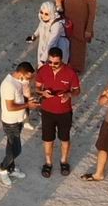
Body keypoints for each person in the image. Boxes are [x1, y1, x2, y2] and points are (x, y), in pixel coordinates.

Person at [33, 47, 79, 179]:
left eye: (56, 63)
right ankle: (48, 163)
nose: (52, 65)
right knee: (48, 139)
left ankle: (64, 161)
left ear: (62, 60)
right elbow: (37, 88)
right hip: (47, 111)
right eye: (50, 62)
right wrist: (43, 93)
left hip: (64, 112)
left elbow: (77, 90)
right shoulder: (43, 70)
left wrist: (68, 94)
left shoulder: (70, 72)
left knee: (64, 138)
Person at [0, 61, 35, 181]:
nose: (29, 80)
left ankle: (10, 168)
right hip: (11, 123)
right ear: (21, 74)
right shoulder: (9, 85)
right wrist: (27, 105)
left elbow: (21, 97)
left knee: (11, 147)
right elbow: (10, 107)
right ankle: (2, 169)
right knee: (16, 150)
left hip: (18, 121)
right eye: (28, 77)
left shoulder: (17, 82)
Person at [54, 0, 97, 74]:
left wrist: (88, 29)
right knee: (63, 42)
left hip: (80, 25)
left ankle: (76, 68)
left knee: (78, 46)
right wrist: (59, 5)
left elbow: (92, 14)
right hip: (66, 21)